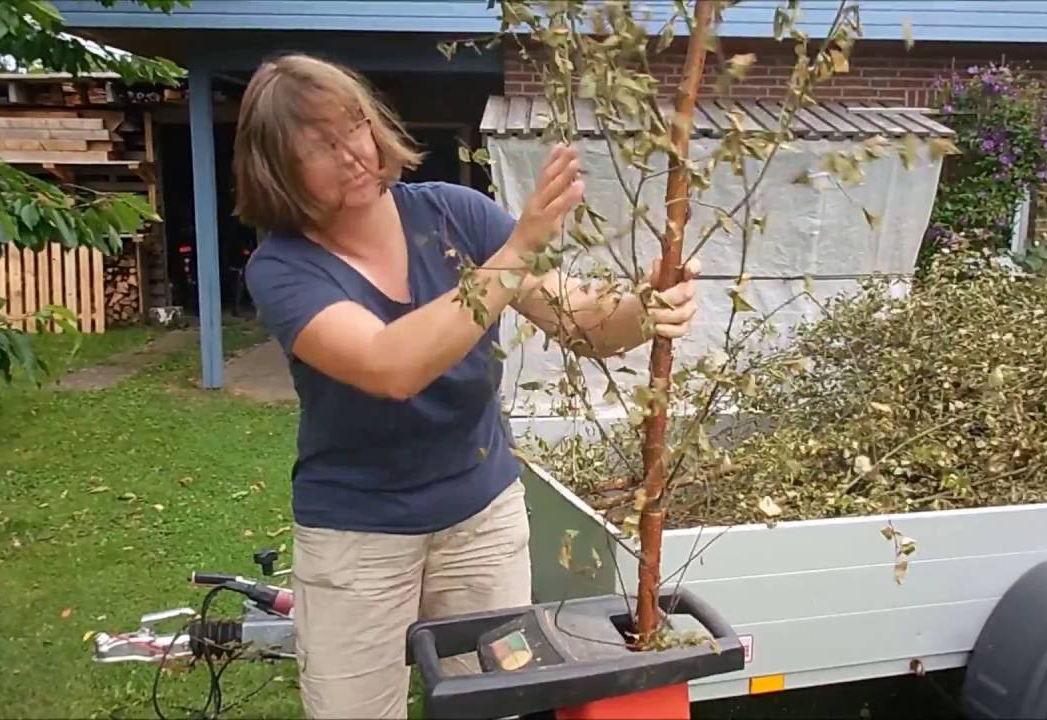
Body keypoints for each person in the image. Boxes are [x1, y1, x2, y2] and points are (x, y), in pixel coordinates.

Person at [232, 53, 701, 719]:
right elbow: (390, 365)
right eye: (320, 145)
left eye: (356, 127)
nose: (353, 155)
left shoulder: (455, 215)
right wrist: (517, 251)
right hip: (359, 538)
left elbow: (580, 321)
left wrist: (645, 309)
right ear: (275, 168)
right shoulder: (284, 269)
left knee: (490, 708)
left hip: (481, 521)